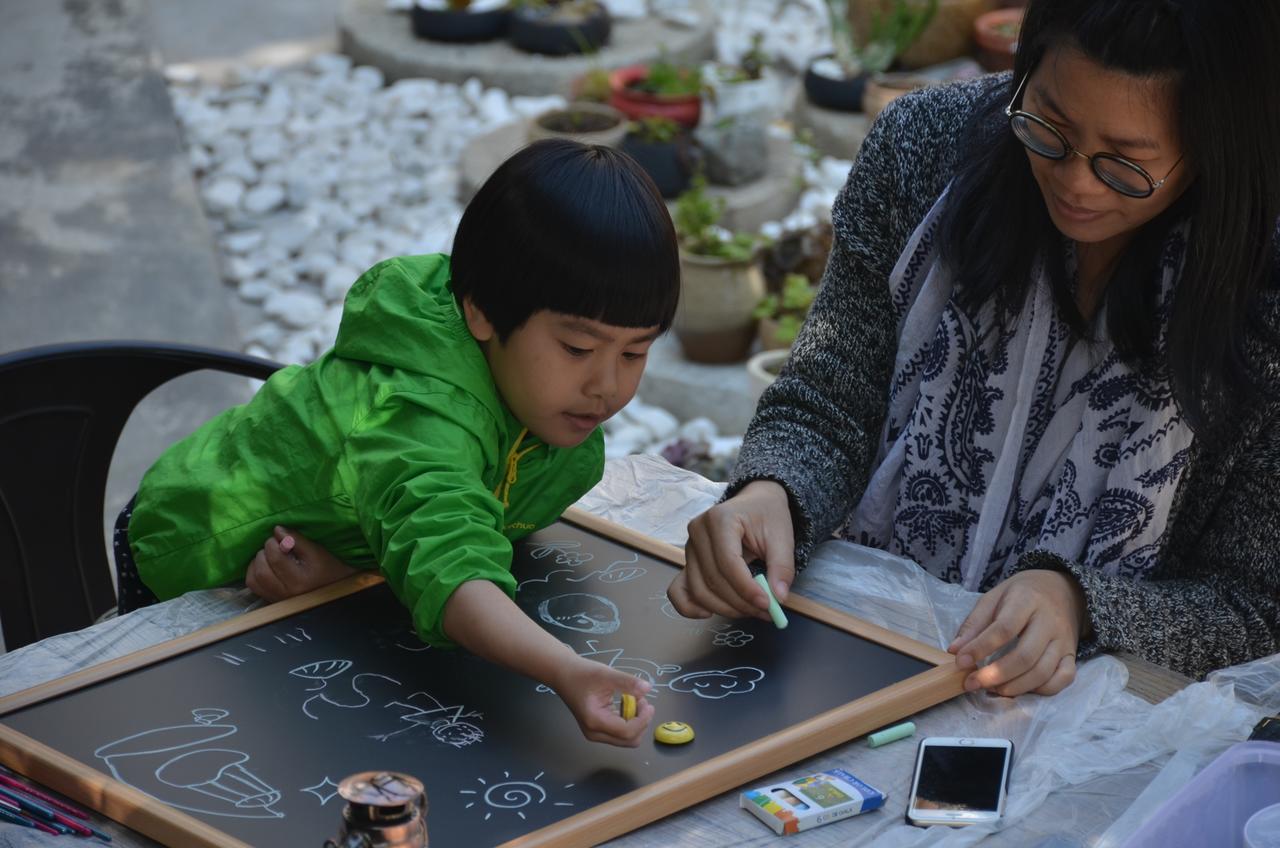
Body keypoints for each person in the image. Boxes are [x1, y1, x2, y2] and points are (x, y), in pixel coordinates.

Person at [669, 0, 1280, 695]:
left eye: (1125, 165)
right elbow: (828, 397)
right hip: (863, 656)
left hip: (1113, 727)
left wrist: (1079, 603)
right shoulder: (923, 151)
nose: (1076, 182)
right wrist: (771, 491)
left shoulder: (1266, 286)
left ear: (1214, 145)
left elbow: (1257, 604)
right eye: (1048, 126)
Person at [116, 139, 680, 747]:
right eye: (578, 349)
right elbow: (449, 559)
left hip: (329, 559)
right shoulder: (419, 414)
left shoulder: (541, 394)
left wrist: (354, 578)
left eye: (635, 352)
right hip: (191, 554)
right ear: (482, 312)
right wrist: (565, 668)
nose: (607, 386)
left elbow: (437, 530)